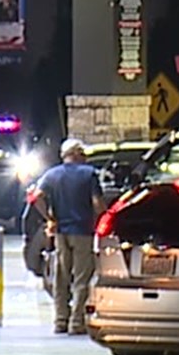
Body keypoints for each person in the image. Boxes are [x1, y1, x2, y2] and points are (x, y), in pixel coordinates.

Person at [35, 137, 105, 334]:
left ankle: (60, 320)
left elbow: (36, 198)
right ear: (78, 154)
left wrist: (50, 218)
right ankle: (77, 322)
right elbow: (97, 204)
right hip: (83, 231)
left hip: (61, 232)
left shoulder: (51, 175)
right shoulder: (89, 174)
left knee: (61, 276)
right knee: (82, 278)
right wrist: (103, 217)